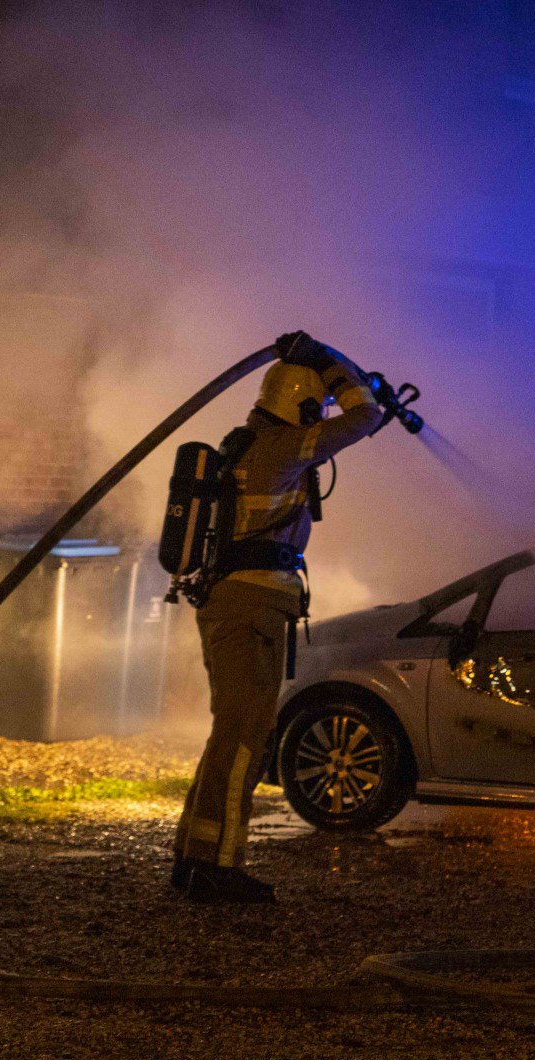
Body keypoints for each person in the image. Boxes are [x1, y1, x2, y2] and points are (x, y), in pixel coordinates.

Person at [172, 333, 384, 903]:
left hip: (234, 604)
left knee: (229, 732)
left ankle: (193, 857)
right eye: (317, 407)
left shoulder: (248, 443)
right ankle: (218, 865)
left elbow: (365, 415)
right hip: (251, 609)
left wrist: (341, 378)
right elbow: (365, 418)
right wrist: (333, 365)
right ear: (304, 405)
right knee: (247, 736)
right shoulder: (284, 447)